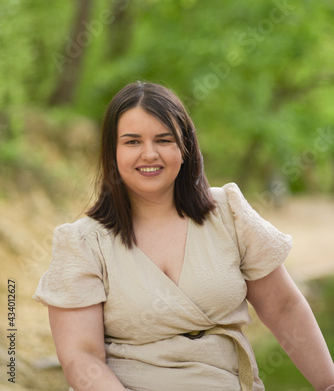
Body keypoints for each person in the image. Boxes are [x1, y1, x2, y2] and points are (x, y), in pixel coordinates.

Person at [34, 81, 334, 391]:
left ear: (185, 147)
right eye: (132, 142)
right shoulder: (83, 242)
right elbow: (82, 357)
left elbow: (283, 307)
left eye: (164, 140)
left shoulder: (228, 212)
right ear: (112, 151)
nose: (149, 154)